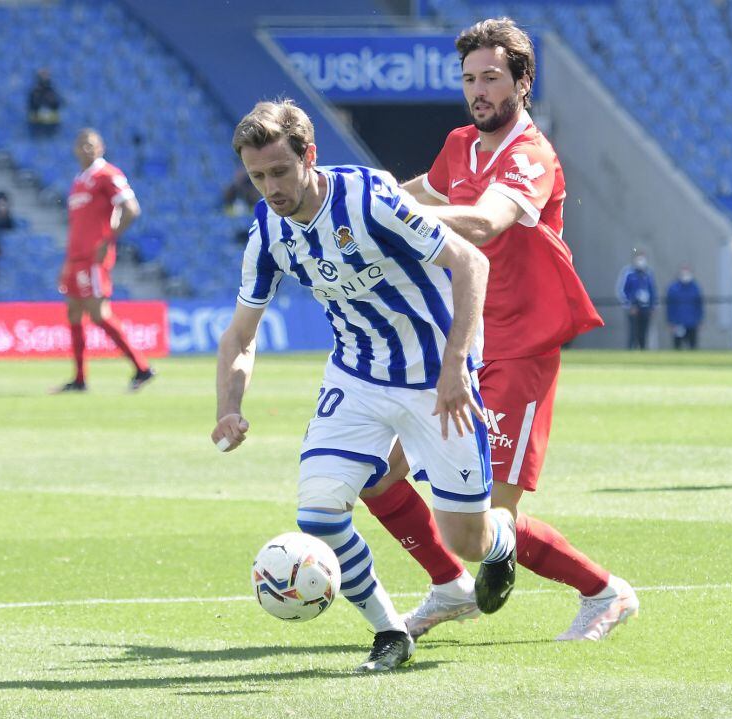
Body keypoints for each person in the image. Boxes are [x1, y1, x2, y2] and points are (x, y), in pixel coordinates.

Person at [212, 99, 519, 672]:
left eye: (280, 171)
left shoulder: (369, 198)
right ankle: (388, 632)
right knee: (320, 513)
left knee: (466, 541)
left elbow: (471, 262)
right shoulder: (267, 230)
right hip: (356, 376)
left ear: (310, 156)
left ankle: (501, 538)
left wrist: (456, 366)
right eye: (257, 177)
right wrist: (229, 407)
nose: (271, 187)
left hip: (434, 375)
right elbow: (239, 336)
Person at [360, 17, 638, 643]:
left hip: (520, 351)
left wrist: (389, 214)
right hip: (461, 344)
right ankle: (449, 588)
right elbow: (420, 193)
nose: (479, 90)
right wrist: (357, 206)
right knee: (376, 474)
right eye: (469, 80)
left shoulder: (531, 155)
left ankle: (604, 591)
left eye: (491, 77)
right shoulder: (459, 144)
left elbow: (484, 225)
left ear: (521, 82)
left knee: (487, 522)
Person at [53, 129, 154, 393]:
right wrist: (67, 262)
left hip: (93, 258)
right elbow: (77, 226)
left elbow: (131, 209)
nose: (86, 149)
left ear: (101, 148)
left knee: (98, 314)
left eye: (91, 144)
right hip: (76, 259)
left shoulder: (108, 174)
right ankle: (79, 378)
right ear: (75, 150)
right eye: (82, 145)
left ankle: (142, 368)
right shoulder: (78, 181)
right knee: (74, 312)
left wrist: (108, 240)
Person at [616, 252, 657, 350]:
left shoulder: (648, 274)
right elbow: (621, 290)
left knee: (643, 334)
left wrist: (652, 307)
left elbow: (653, 291)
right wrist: (629, 306)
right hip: (633, 309)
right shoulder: (628, 273)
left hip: (645, 309)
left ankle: (643, 352)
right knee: (633, 333)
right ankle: (630, 353)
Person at [665, 266, 703, 349]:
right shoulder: (673, 288)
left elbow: (699, 305)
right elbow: (670, 307)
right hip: (678, 323)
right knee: (677, 346)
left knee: (692, 346)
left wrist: (700, 320)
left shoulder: (695, 287)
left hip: (692, 323)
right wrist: (670, 321)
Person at [27, 68, 63, 138]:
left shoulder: (52, 91)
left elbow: (56, 104)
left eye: (46, 76)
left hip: (51, 119)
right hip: (37, 119)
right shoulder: (35, 92)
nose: (44, 78)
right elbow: (32, 105)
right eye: (42, 76)